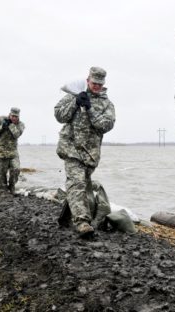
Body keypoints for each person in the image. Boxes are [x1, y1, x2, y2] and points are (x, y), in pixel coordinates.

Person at [54, 66, 115, 237]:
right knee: (77, 183)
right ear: (88, 80)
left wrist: (90, 109)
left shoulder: (107, 104)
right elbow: (59, 115)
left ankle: (64, 218)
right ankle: (82, 222)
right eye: (94, 83)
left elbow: (106, 125)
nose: (96, 86)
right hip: (71, 148)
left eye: (99, 84)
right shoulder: (74, 95)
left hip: (90, 154)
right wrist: (75, 103)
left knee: (80, 185)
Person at [0, 107, 25, 195]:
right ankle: (3, 189)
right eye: (12, 116)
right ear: (9, 114)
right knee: (2, 173)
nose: (14, 118)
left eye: (16, 117)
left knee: (16, 169)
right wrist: (2, 127)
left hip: (13, 152)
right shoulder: (1, 120)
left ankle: (12, 187)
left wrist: (10, 125)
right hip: (1, 151)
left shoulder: (20, 124)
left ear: (18, 117)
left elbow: (17, 134)